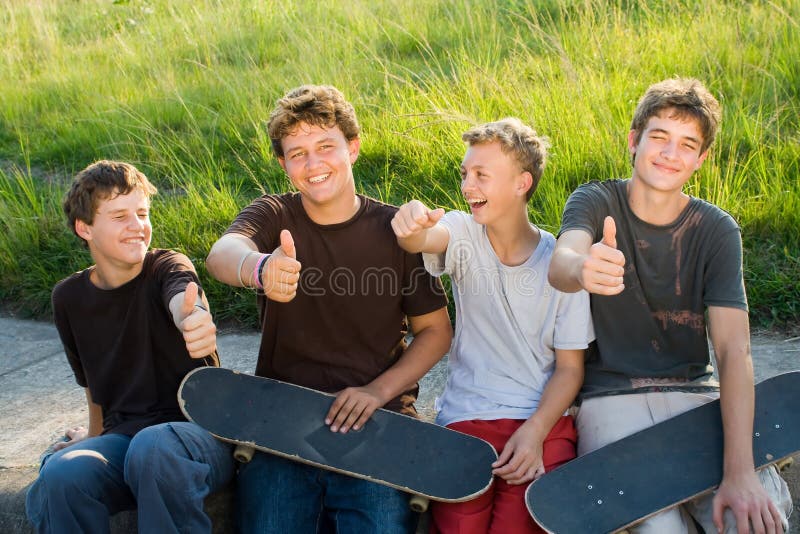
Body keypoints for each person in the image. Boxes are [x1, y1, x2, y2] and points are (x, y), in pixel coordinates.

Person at [548, 78, 792, 533]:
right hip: (611, 399)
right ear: (634, 141)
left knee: (752, 519)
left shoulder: (717, 230)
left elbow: (733, 352)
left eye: (687, 145)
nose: (669, 153)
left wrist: (739, 473)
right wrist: (583, 268)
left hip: (693, 396)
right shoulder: (595, 199)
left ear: (700, 160)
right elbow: (562, 261)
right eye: (659, 137)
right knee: (658, 528)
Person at [205, 84, 452, 533]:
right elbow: (221, 253)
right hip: (282, 421)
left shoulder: (397, 230)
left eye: (325, 147)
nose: (313, 164)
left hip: (376, 421)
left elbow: (436, 332)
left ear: (353, 148)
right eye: (296, 153)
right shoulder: (274, 215)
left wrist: (378, 392)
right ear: (282, 164)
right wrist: (259, 268)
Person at [391, 118, 594, 533]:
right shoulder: (465, 233)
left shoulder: (562, 263)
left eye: (482, 175)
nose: (467, 186)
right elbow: (424, 239)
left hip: (541, 421)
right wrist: (411, 222)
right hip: (467, 421)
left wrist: (536, 433)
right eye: (465, 174)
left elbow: (571, 368)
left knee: (519, 524)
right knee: (459, 525)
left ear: (522, 183)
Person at [25, 160, 235, 534]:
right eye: (120, 215)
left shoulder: (166, 267)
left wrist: (193, 318)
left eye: (142, 213)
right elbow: (91, 384)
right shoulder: (68, 298)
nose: (138, 226)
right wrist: (91, 438)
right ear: (84, 227)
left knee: (153, 448)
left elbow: (183, 297)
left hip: (197, 435)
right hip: (125, 442)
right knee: (61, 473)